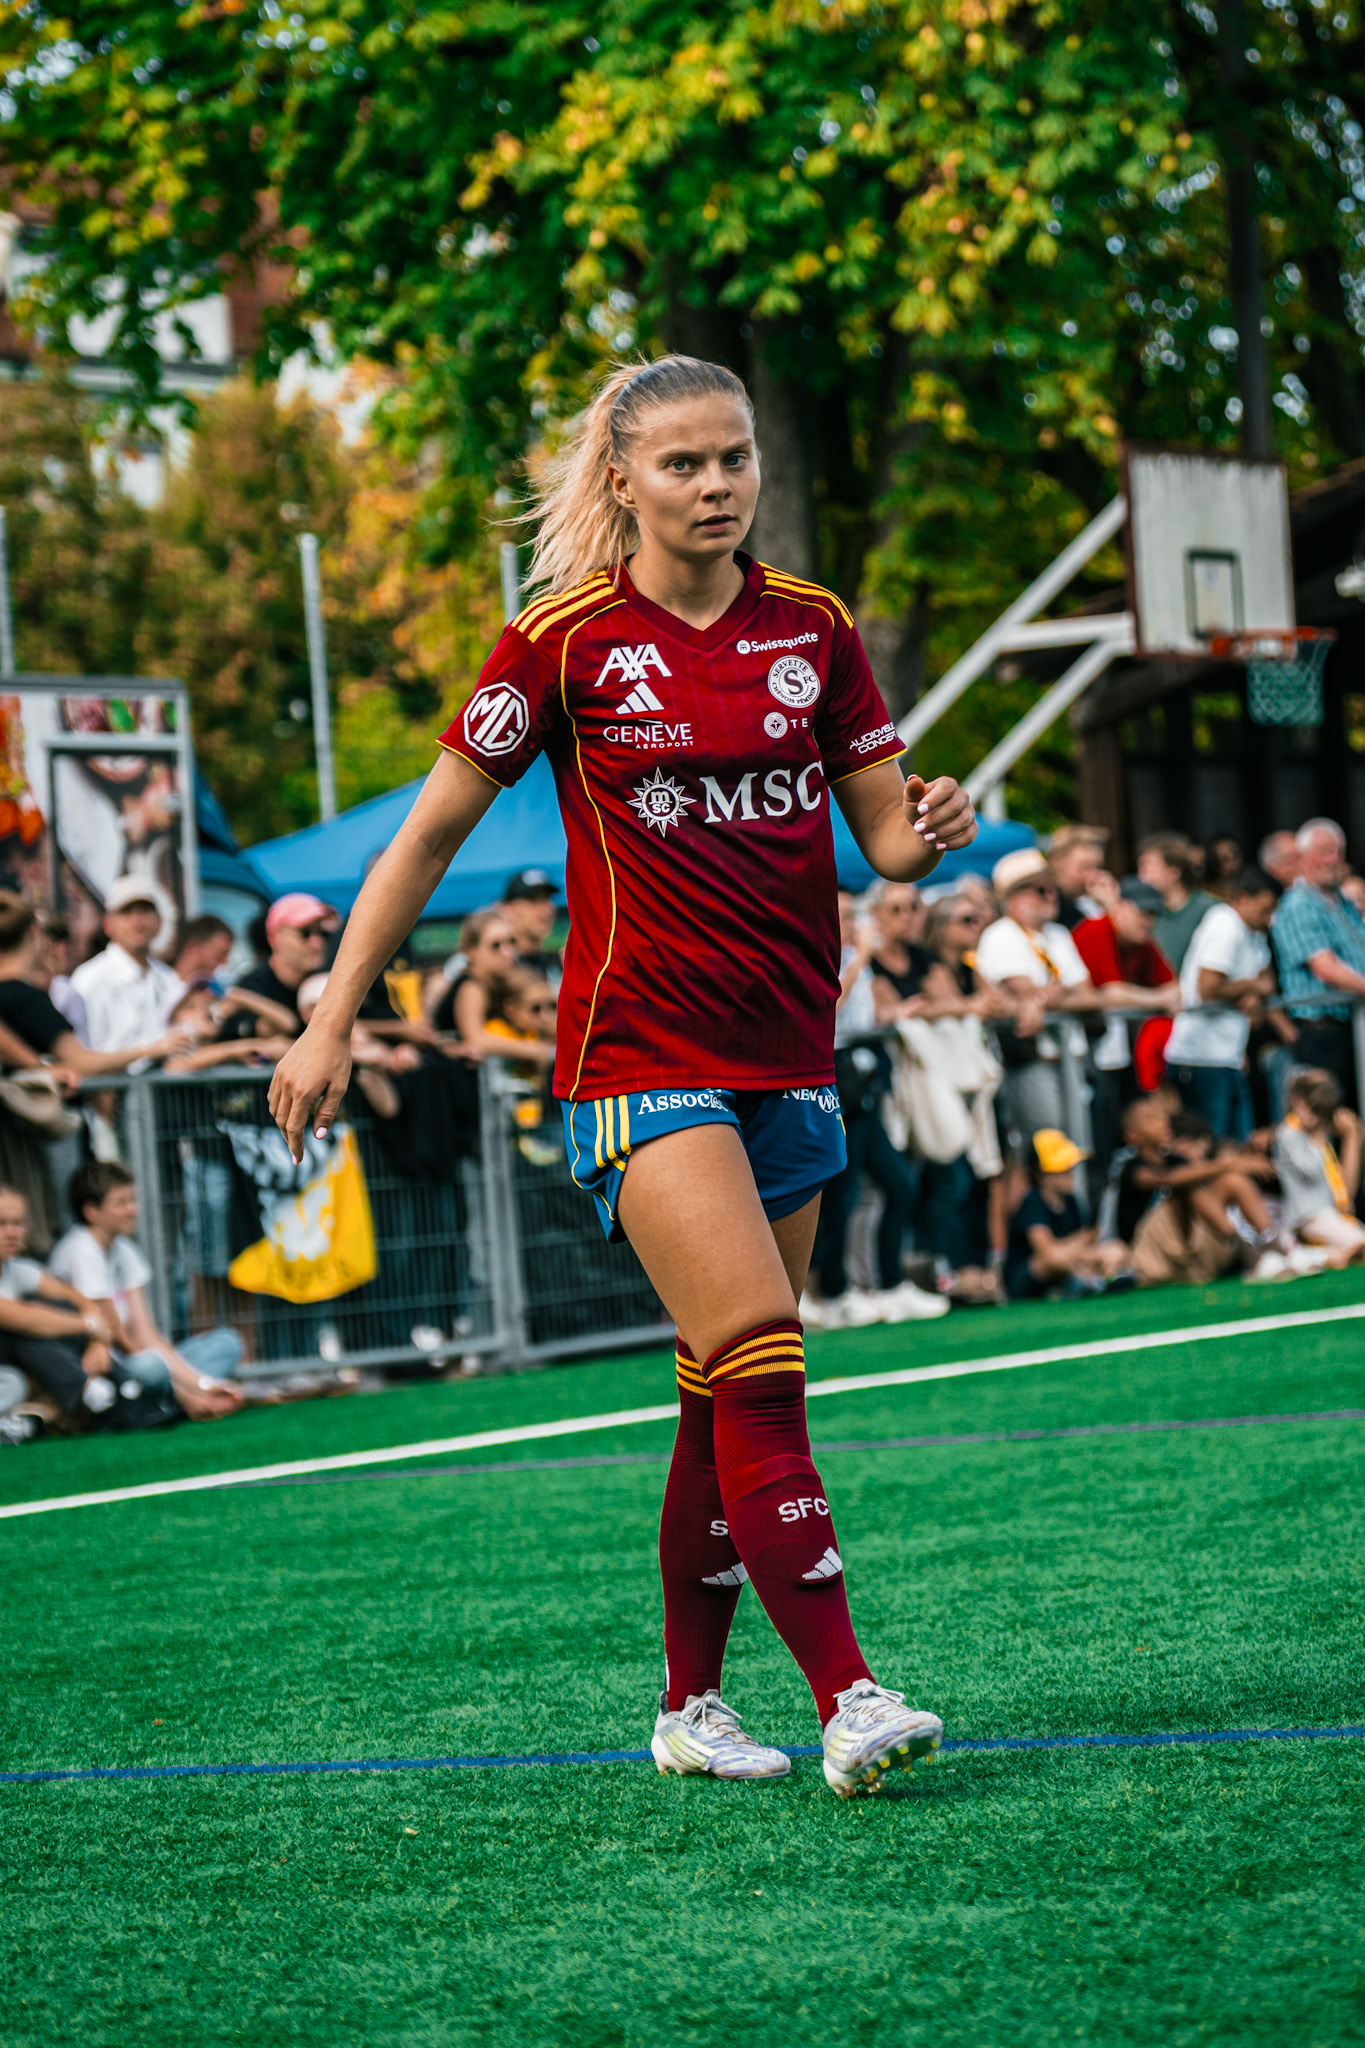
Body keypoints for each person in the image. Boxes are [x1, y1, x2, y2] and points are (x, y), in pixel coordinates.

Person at [269, 351, 978, 1797]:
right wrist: (328, 1018)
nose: (715, 486)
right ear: (621, 481)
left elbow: (887, 840)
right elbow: (424, 839)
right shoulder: (564, 637)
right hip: (637, 1053)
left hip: (789, 1048)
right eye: (682, 465)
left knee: (718, 1385)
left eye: (734, 460)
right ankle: (848, 1694)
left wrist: (935, 822)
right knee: (766, 1349)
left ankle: (689, 1709)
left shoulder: (817, 630)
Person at [49, 1161, 244, 1420]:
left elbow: (145, 1333)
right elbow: (119, 1339)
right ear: (91, 1212)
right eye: (121, 1203)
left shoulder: (125, 1249)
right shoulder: (81, 1250)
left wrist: (201, 1383)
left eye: (132, 1200)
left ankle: (169, 1399)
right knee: (151, 1367)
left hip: (137, 1359)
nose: (133, 1210)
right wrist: (186, 1388)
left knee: (228, 1343)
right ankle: (175, 1400)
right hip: (104, 1370)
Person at [975, 848, 1101, 1146]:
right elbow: (1025, 991)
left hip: (1071, 1056)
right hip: (1032, 1058)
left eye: (1052, 888)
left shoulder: (1059, 934)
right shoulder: (1000, 935)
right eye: (1040, 890)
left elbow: (1089, 995)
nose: (1050, 896)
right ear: (1013, 899)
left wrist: (1041, 998)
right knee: (1049, 1148)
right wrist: (1059, 988)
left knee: (1080, 1144)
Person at [1112, 1097, 1287, 1286]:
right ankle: (1246, 1252)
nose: (1163, 1121)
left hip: (1187, 1244)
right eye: (1152, 1118)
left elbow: (1202, 1176)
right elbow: (1168, 1180)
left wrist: (1237, 1163)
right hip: (1147, 1255)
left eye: (1162, 1115)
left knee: (1232, 1181)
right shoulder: (1132, 1169)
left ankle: (1275, 1246)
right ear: (1133, 1136)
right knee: (1189, 1186)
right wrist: (1229, 1164)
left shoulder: (1175, 1160)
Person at [1164, 867, 1280, 1141]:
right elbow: (1207, 988)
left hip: (1228, 1055)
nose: (1270, 919)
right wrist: (1250, 986)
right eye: (1265, 909)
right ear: (1242, 898)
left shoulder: (1254, 931)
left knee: (1237, 1145)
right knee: (1213, 1149)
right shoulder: (1225, 926)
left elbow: (1268, 982)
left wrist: (1249, 990)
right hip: (1200, 1057)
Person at [1271, 819, 1365, 1105]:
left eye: (1338, 852)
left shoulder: (1341, 901)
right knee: (1329, 1117)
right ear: (1302, 858)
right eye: (1324, 851)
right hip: (1321, 1033)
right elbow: (1326, 968)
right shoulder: (1299, 903)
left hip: (1350, 1025)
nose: (1333, 859)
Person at [1002, 1129, 1129, 1299]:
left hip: (1068, 1263)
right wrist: (1080, 1246)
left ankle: (1094, 1280)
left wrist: (1087, 1250)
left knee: (1116, 1249)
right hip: (1026, 1279)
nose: (1070, 1175)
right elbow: (1047, 1252)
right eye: (1062, 1170)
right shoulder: (1032, 1202)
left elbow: (1088, 1239)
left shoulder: (1071, 1201)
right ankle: (1092, 1281)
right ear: (1041, 1175)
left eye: (1070, 1168)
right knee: (1051, 1260)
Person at [68, 875, 181, 1054]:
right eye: (126, 912)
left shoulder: (168, 978)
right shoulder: (90, 978)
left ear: (159, 922)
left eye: (145, 911)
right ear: (108, 924)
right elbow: (85, 1054)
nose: (137, 921)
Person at [1274, 1068, 1365, 1261]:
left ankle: (1325, 1256)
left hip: (1327, 1214)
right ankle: (1322, 1257)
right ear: (1299, 1102)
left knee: (1359, 1239)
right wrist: (1317, 1141)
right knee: (1357, 1241)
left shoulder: (1317, 1137)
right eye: (1314, 1109)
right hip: (1307, 1218)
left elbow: (1342, 1186)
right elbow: (1310, 1170)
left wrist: (1351, 1137)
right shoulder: (1288, 1134)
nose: (1317, 1119)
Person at [222, 893, 337, 1040]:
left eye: (322, 933)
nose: (316, 943)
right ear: (274, 937)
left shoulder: (326, 980)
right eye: (305, 932)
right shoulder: (253, 986)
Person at [1136, 833, 1220, 973]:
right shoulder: (1146, 914)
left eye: (1148, 867)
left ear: (1174, 872)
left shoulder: (1210, 910)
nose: (1141, 876)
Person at [500, 868, 562, 982]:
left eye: (547, 898)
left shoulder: (556, 964)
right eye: (532, 899)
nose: (544, 909)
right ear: (507, 909)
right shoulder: (491, 964)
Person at [1046, 826, 1109, 930]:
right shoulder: (1051, 906)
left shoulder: (1088, 902)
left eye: (1097, 867)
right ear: (1058, 863)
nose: (1092, 876)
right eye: (1084, 867)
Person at [171, 913, 235, 991]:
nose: (224, 963)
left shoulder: (210, 993)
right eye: (220, 955)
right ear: (192, 947)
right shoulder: (158, 986)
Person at [1204, 832, 1245, 901]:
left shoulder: (1254, 885)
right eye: (1225, 859)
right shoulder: (1209, 895)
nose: (1233, 861)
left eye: (1235, 854)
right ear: (1214, 864)